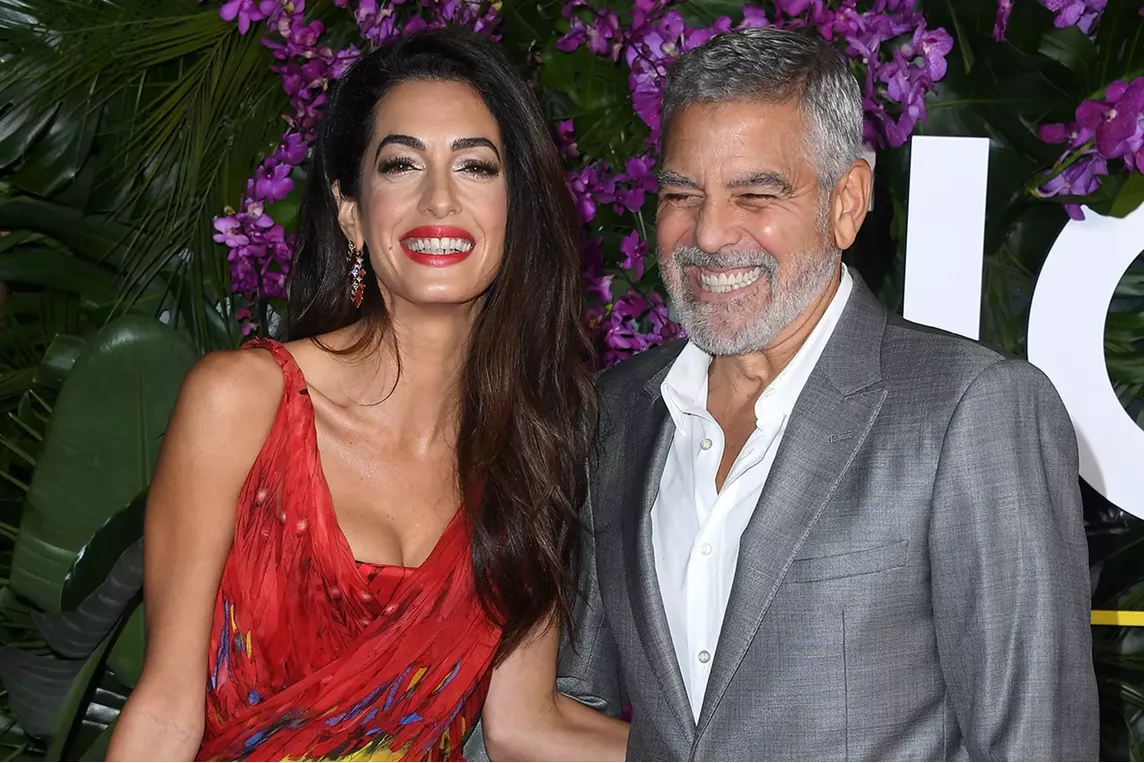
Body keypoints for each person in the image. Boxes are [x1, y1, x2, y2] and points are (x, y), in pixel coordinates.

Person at [546, 27, 1098, 761]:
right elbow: (571, 705)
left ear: (847, 201)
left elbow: (1034, 745)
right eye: (682, 193)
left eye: (756, 194)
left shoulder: (972, 411)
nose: (709, 232)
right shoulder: (616, 413)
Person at [107, 28, 628, 762]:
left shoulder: (533, 449)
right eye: (402, 165)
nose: (439, 198)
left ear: (518, 209)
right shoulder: (244, 403)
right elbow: (167, 711)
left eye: (475, 166)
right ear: (351, 210)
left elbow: (523, 725)